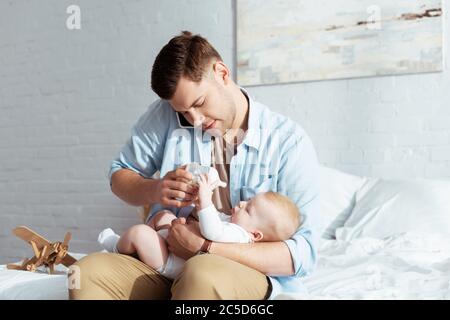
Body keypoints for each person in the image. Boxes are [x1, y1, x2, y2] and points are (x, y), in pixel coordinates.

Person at [69, 30, 320, 300]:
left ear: (222, 73)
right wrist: (156, 189)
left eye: (200, 103)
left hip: (239, 272)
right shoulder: (165, 115)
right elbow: (119, 175)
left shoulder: (288, 143)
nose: (196, 120)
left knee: (201, 274)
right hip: (163, 260)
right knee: (87, 272)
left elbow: (302, 253)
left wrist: (205, 247)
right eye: (184, 112)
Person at [97, 173, 301, 280]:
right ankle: (141, 247)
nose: (241, 204)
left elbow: (212, 230)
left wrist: (206, 200)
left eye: (248, 210)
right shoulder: (235, 225)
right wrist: (200, 198)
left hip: (171, 262)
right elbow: (211, 218)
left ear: (255, 235)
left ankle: (117, 248)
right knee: (164, 215)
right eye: (247, 201)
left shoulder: (239, 237)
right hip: (173, 246)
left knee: (139, 233)